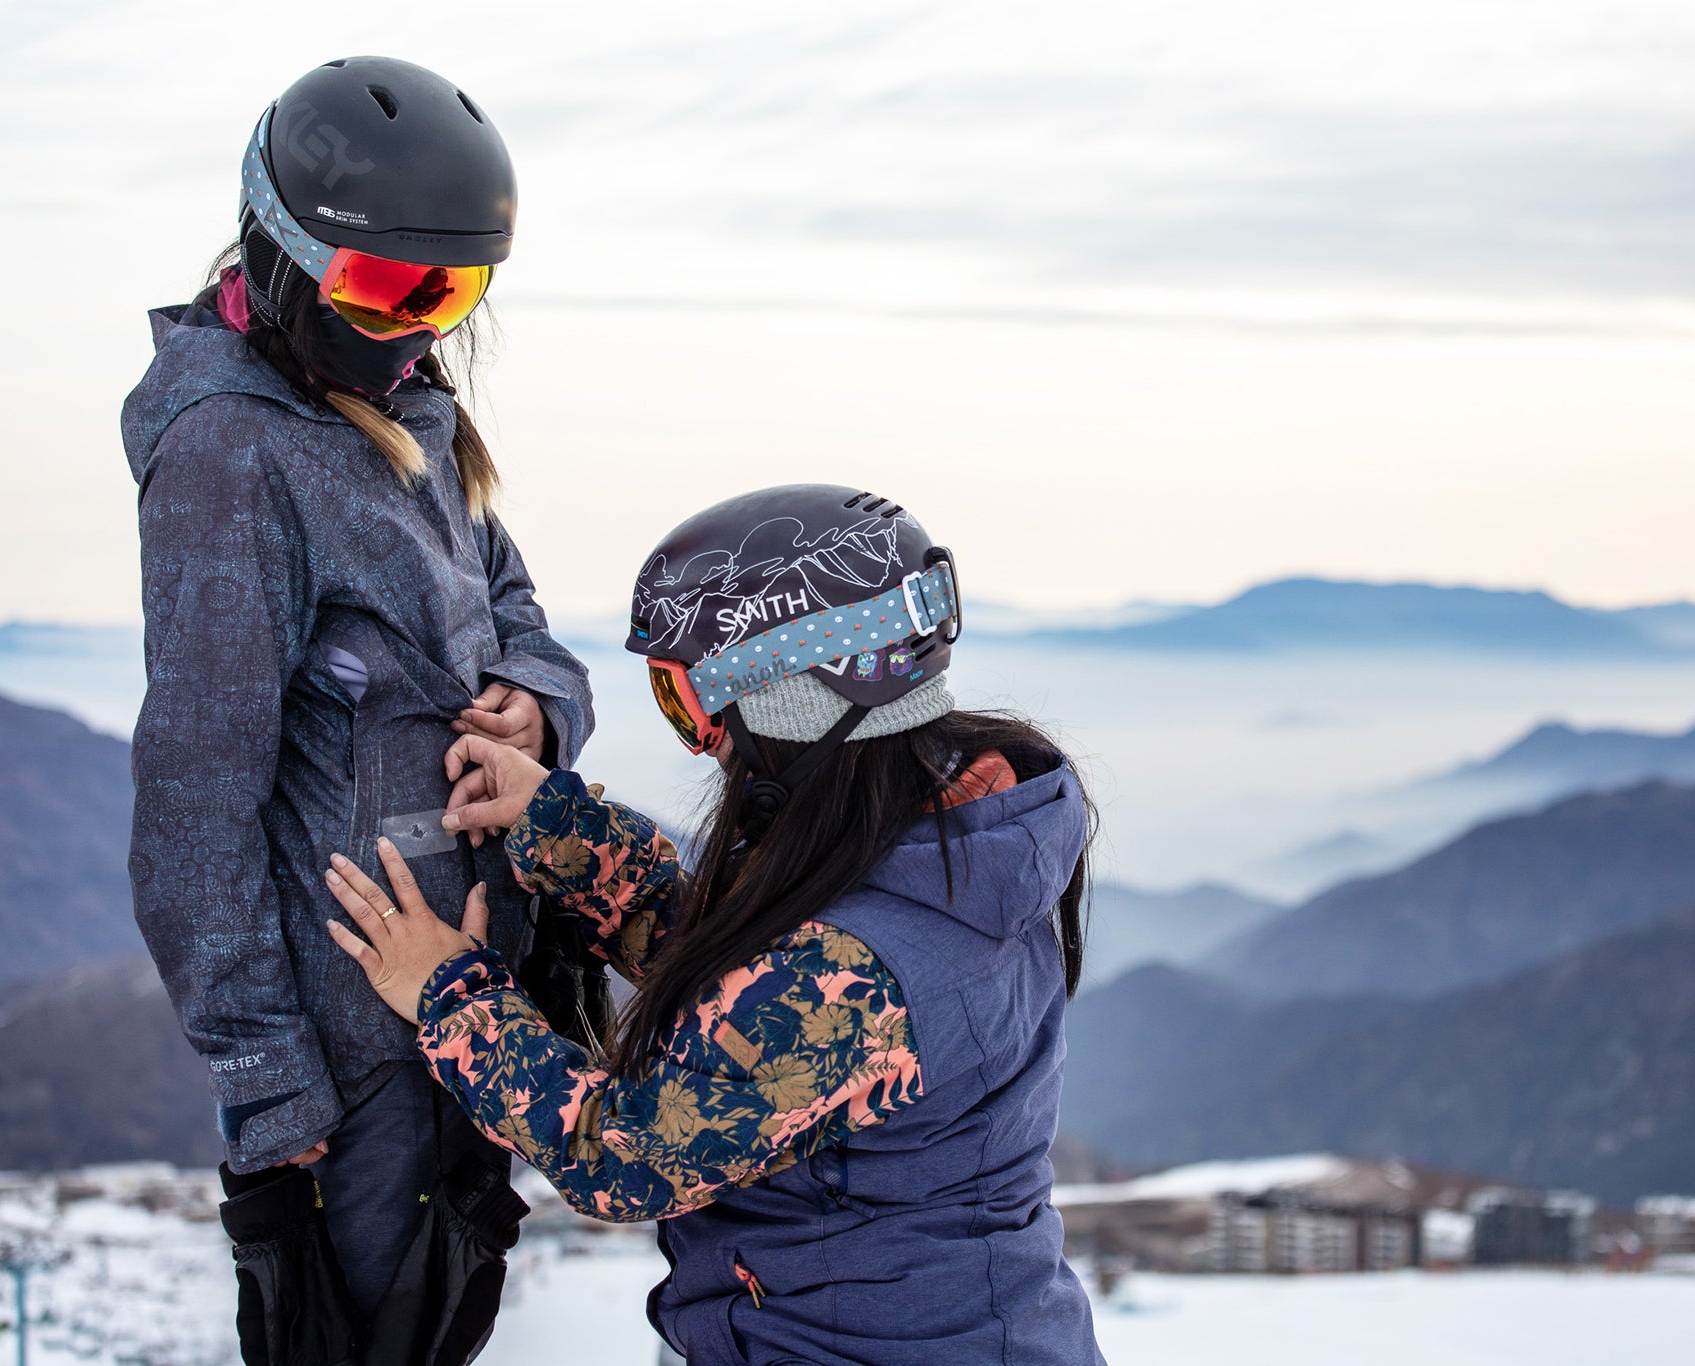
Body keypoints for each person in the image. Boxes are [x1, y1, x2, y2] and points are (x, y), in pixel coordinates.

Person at [324, 484, 1106, 1363]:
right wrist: (560, 826)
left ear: (783, 697)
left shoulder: (854, 969)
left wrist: (451, 994)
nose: (701, 739)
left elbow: (623, 1155)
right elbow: (744, 975)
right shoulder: (952, 842)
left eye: (686, 702)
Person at [121, 56, 594, 1363]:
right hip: (349, 1047)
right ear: (282, 252)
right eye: (391, 286)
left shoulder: (414, 408)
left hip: (465, 983)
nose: (422, 323)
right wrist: (267, 1081)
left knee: (450, 1312)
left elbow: (520, 605)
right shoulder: (233, 454)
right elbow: (193, 798)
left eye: (456, 287)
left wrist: (536, 710)